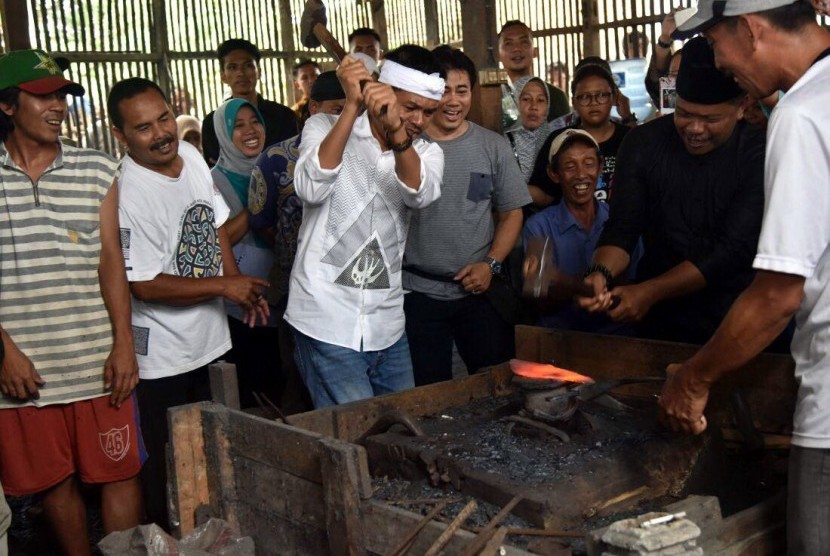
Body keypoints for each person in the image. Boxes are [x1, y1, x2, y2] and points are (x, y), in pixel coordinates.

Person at [655, 2, 830, 554]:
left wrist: (693, 379)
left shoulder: (802, 114)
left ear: (750, 28)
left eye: (714, 43)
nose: (719, 63)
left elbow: (778, 293)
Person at [108, 77, 269, 528]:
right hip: (163, 358)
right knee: (170, 471)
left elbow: (214, 225)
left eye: (164, 118)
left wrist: (238, 286)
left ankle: (221, 536)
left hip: (212, 342)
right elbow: (142, 284)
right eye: (143, 128)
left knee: (219, 454)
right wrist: (223, 288)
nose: (161, 133)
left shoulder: (194, 157)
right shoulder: (128, 192)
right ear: (119, 135)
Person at [0, 49, 142, 554]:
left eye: (63, 94)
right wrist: (4, 352)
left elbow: (110, 260)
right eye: (43, 96)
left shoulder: (96, 169)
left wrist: (123, 343)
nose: (58, 106)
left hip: (96, 357)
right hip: (25, 366)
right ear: (8, 106)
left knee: (118, 471)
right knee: (55, 481)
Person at [578, 37, 766, 346]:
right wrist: (601, 272)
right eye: (684, 113)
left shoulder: (758, 153)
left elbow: (728, 251)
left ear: (742, 107)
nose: (694, 128)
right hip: (661, 323)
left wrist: (649, 292)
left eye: (710, 119)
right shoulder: (643, 144)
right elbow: (623, 228)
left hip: (738, 322)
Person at [287, 45, 445, 408]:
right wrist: (353, 106)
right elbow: (310, 187)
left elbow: (419, 193)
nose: (420, 120)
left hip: (387, 327)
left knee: (400, 437)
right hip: (325, 319)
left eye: (428, 111)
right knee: (355, 440)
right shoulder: (323, 125)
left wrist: (398, 132)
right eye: (410, 108)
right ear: (382, 95)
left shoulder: (427, 153)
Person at [403, 46, 530, 386]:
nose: (454, 101)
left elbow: (511, 212)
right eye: (444, 91)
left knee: (496, 384)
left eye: (462, 90)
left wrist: (491, 264)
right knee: (429, 391)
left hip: (479, 291)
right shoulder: (405, 147)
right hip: (417, 293)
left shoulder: (493, 147)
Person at [249, 71, 346, 414]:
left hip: (349, 285)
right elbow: (260, 220)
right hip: (294, 284)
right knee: (297, 369)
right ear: (314, 108)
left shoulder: (365, 153)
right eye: (337, 109)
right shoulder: (277, 159)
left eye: (353, 109)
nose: (347, 117)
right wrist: (300, 247)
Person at [523, 129, 640, 334]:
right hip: (562, 338)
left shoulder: (619, 220)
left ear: (600, 167)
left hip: (618, 335)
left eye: (589, 164)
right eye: (570, 166)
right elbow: (538, 299)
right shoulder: (539, 226)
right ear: (554, 173)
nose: (581, 175)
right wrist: (578, 288)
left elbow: (636, 281)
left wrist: (570, 283)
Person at [211, 98, 280, 409]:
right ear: (224, 134)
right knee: (255, 381)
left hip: (280, 289)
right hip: (241, 298)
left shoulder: (278, 165)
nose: (250, 130)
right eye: (237, 126)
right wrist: (258, 200)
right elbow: (220, 236)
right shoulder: (214, 180)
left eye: (254, 122)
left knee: (283, 376)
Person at [529, 59, 631, 206]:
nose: (593, 102)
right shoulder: (558, 140)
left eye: (601, 95)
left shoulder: (630, 139)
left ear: (613, 98)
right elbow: (545, 194)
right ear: (574, 103)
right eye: (584, 97)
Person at [201, 39, 298, 166]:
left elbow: (291, 164)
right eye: (233, 67)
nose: (241, 73)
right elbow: (215, 170)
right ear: (223, 76)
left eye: (248, 66)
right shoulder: (212, 123)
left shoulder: (284, 116)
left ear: (259, 72)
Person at [497, 20, 570, 131]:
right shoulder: (494, 98)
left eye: (524, 42)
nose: (516, 48)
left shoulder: (556, 96)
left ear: (535, 51)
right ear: (498, 55)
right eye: (508, 43)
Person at [505, 76, 553, 183]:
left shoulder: (555, 142)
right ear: (514, 102)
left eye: (540, 100)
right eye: (526, 99)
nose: (533, 106)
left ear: (547, 107)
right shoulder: (500, 143)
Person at [291, 59, 321, 127]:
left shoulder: (336, 102)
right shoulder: (295, 112)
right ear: (297, 85)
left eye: (314, 75)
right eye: (304, 78)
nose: (311, 80)